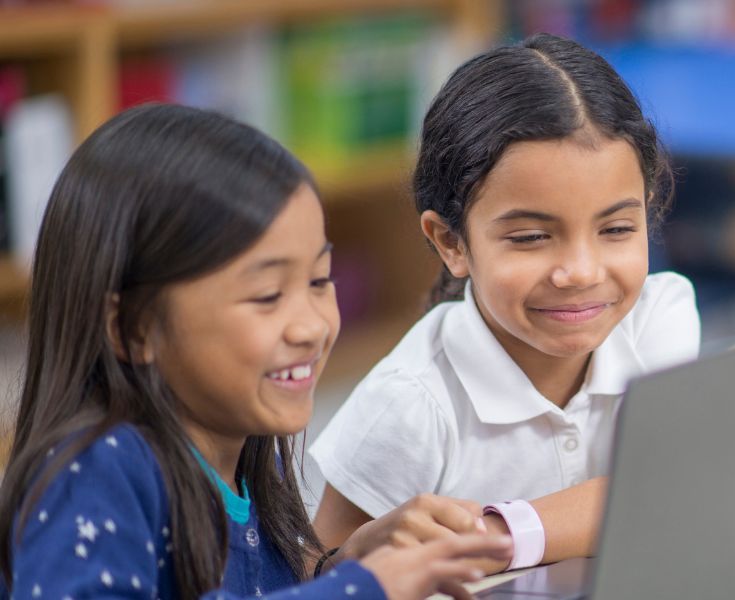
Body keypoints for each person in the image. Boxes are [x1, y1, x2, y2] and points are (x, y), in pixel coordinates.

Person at [0, 104, 512, 600]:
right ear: (133, 328)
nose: (312, 327)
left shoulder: (247, 451)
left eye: (318, 279)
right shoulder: (95, 470)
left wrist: (342, 566)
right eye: (267, 296)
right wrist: (359, 591)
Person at [310, 33, 700, 575]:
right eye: (532, 238)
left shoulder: (659, 316)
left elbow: (666, 488)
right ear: (451, 242)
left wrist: (488, 537)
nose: (582, 272)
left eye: (615, 228)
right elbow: (315, 575)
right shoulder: (408, 404)